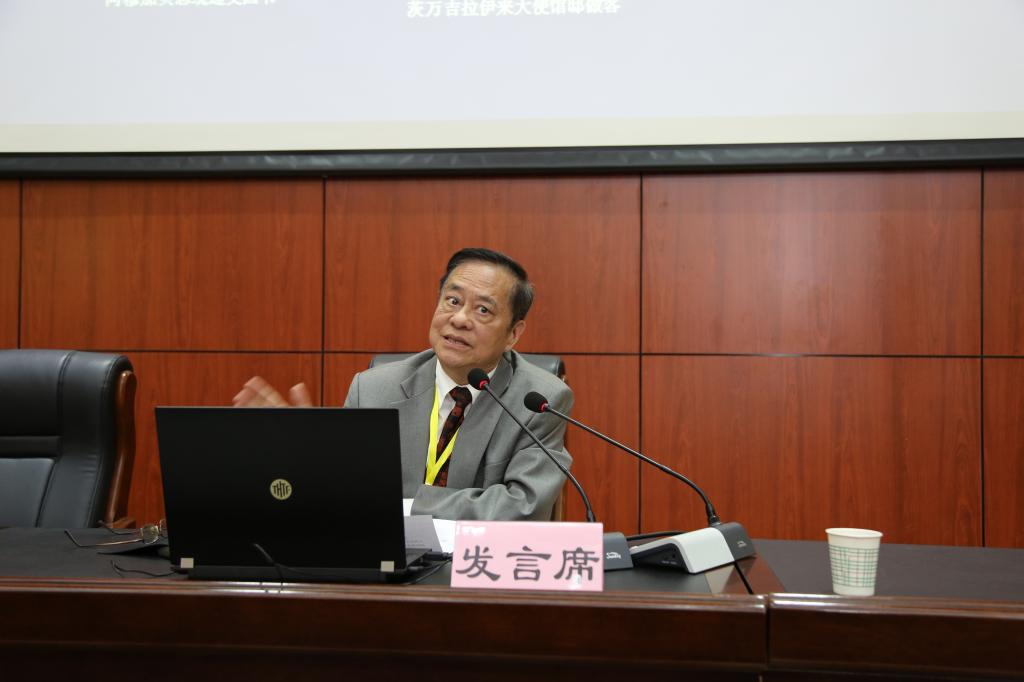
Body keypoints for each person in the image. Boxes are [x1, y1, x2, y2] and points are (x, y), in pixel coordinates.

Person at [233, 248, 573, 521]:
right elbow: (343, 493)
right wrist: (303, 455)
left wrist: (408, 508)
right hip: (389, 565)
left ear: (513, 334)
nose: (459, 319)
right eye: (453, 301)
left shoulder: (539, 400)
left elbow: (523, 506)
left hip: (477, 569)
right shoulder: (373, 389)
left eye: (483, 310)